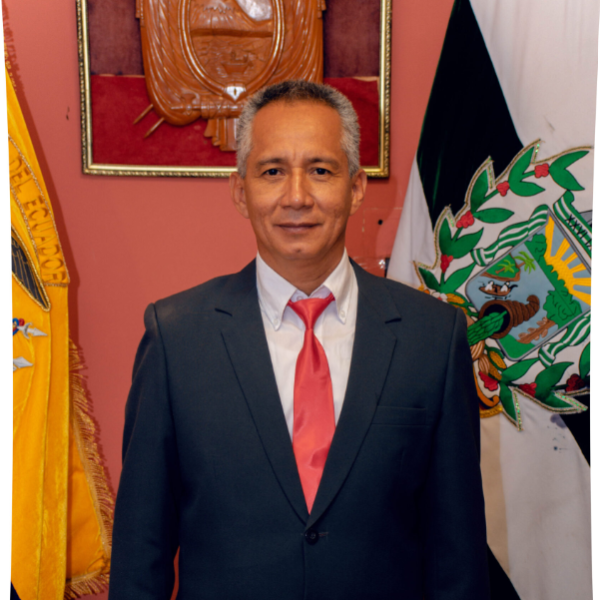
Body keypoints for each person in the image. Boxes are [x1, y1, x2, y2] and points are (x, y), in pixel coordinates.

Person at [109, 80, 490, 600]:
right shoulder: (176, 338)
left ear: (356, 187)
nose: (296, 197)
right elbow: (141, 553)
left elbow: (457, 557)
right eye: (272, 172)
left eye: (320, 170)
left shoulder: (433, 337)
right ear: (240, 191)